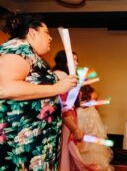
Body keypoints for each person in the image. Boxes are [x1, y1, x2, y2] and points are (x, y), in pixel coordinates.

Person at [0, 13, 77, 170]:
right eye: (47, 32)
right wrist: (56, 88)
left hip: (37, 144)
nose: (50, 38)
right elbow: (4, 88)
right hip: (21, 145)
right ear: (32, 32)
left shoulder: (31, 54)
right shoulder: (18, 49)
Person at [52, 50, 84, 171]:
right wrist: (75, 128)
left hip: (67, 117)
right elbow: (64, 105)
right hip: (65, 119)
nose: (76, 63)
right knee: (65, 150)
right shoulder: (62, 76)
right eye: (73, 60)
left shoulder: (59, 74)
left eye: (77, 60)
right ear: (64, 61)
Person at [74, 85, 114, 171]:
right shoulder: (81, 111)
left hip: (91, 139)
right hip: (85, 137)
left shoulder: (89, 110)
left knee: (93, 158)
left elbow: (96, 127)